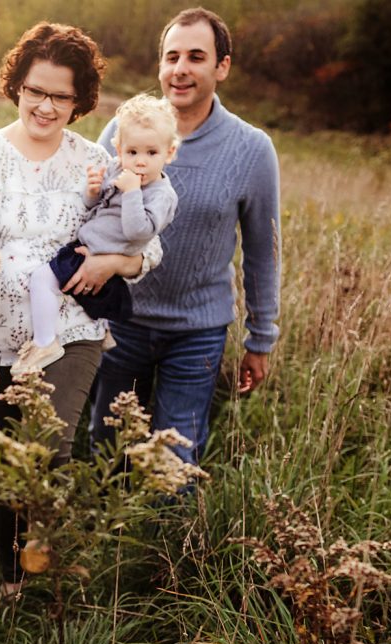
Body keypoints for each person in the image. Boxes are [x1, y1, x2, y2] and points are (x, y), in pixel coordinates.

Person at [0, 21, 161, 614]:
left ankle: (55, 569)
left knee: (47, 444)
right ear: (16, 86)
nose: (45, 106)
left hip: (71, 332)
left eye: (61, 96)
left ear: (80, 101)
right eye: (35, 90)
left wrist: (115, 261)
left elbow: (152, 246)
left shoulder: (97, 161)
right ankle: (13, 585)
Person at [91, 7, 281, 468]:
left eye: (196, 57)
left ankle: (167, 540)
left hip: (196, 332)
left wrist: (261, 338)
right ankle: (103, 538)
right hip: (122, 320)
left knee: (175, 459)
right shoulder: (122, 131)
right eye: (171, 56)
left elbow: (261, 251)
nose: (180, 69)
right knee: (108, 448)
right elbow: (90, 209)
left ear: (222, 67)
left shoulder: (251, 149)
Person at [22, 93, 181, 373]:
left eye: (151, 153)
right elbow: (94, 208)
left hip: (103, 252)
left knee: (43, 279)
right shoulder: (117, 168)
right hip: (88, 244)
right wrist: (93, 191)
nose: (140, 162)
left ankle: (45, 342)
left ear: (169, 152)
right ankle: (103, 327)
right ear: (118, 150)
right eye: (132, 152)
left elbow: (139, 232)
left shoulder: (161, 195)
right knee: (92, 295)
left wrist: (132, 192)